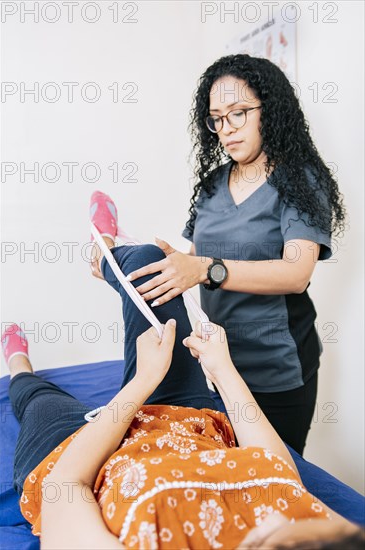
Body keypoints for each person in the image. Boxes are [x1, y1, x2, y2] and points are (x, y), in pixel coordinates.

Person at [3, 192, 362, 549]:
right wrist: (222, 369)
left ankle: (18, 362)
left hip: (77, 454)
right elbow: (281, 474)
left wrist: (143, 382)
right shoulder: (318, 531)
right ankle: (110, 252)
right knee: (150, 261)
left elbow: (63, 487)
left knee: (37, 396)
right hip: (183, 424)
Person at [120, 54, 347, 455]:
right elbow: (194, 258)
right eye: (217, 119)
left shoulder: (299, 182)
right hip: (218, 364)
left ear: (269, 111)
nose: (226, 130)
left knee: (278, 479)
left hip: (276, 369)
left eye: (239, 114)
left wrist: (206, 269)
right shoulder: (212, 186)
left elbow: (296, 273)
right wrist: (158, 260)